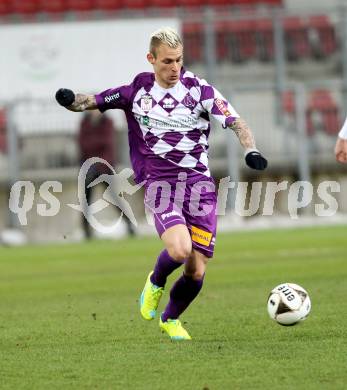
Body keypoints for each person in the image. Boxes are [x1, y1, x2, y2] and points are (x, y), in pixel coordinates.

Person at [55, 27, 267, 340]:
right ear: (151, 59)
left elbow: (235, 121)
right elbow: (92, 102)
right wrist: (70, 100)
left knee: (196, 271)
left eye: (178, 60)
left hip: (198, 186)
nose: (174, 68)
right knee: (180, 249)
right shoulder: (137, 90)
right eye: (167, 61)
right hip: (160, 182)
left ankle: (170, 319)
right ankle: (155, 281)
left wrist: (251, 150)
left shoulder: (199, 89)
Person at [78, 109, 135, 238]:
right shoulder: (84, 122)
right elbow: (83, 144)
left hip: (105, 168)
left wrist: (100, 165)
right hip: (89, 168)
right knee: (86, 202)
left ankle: (129, 225)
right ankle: (87, 232)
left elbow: (107, 144)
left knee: (116, 199)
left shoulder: (107, 122)